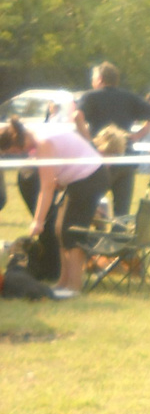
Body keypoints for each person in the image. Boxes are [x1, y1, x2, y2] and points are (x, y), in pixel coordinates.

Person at [0, 114, 112, 297]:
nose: (15, 154)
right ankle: (63, 282)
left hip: (90, 178)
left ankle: (74, 287)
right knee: (59, 228)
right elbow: (54, 177)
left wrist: (38, 221)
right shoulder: (36, 135)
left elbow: (47, 187)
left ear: (14, 144)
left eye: (11, 152)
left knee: (72, 231)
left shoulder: (43, 142)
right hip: (79, 180)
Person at [74, 62, 150, 218]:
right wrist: (140, 134)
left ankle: (94, 239)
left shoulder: (90, 96)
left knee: (91, 206)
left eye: (93, 78)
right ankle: (118, 240)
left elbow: (76, 116)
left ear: (99, 79)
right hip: (125, 158)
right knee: (122, 212)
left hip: (100, 158)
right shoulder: (129, 96)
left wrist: (90, 142)